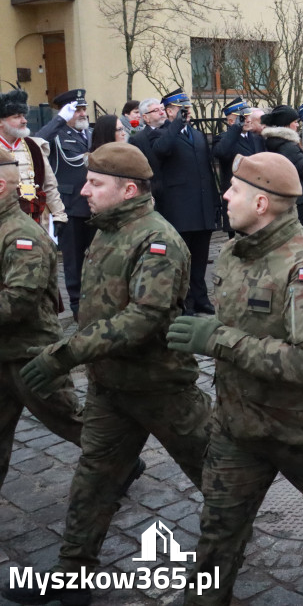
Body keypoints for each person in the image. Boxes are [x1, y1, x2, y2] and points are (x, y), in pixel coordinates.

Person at [165, 153, 303, 606]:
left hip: (302, 427)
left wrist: (218, 339)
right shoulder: (234, 250)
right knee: (219, 525)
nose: (225, 196)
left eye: (235, 190)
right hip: (238, 425)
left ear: (262, 203)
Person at [5, 143, 210, 606]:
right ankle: (73, 573)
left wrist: (65, 353)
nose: (84, 191)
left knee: (217, 478)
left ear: (128, 189)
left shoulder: (157, 240)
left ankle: (223, 563)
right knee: (93, 482)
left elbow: (144, 319)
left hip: (162, 389)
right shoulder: (107, 230)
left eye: (96, 183)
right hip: (110, 389)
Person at [0, 149, 82, 490]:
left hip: (30, 355)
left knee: (71, 420)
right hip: (4, 354)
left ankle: (120, 463)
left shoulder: (23, 236)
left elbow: (18, 302)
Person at [150, 88, 220, 315]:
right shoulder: (162, 134)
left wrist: (214, 202)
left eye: (187, 109)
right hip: (180, 207)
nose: (186, 113)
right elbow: (161, 151)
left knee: (200, 257)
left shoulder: (197, 134)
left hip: (202, 206)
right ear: (169, 111)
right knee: (183, 258)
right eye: (181, 109)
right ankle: (185, 300)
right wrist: (175, 126)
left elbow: (207, 171)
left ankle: (201, 297)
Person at [36, 89, 93, 318]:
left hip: (94, 205)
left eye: (83, 109)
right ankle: (77, 304)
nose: (82, 113)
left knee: (95, 256)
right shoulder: (57, 134)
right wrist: (59, 119)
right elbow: (37, 141)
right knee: (74, 259)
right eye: (76, 109)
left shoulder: (89, 133)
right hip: (71, 206)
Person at [0, 89, 67, 229]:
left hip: (36, 223)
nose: (24, 120)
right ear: (1, 122)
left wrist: (59, 215)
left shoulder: (34, 146)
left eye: (24, 116)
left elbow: (49, 186)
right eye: (17, 116)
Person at [260, 104, 303, 229]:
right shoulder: (287, 146)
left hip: (296, 198)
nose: (297, 125)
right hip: (300, 199)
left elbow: (298, 164)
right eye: (295, 122)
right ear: (286, 124)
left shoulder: (280, 142)